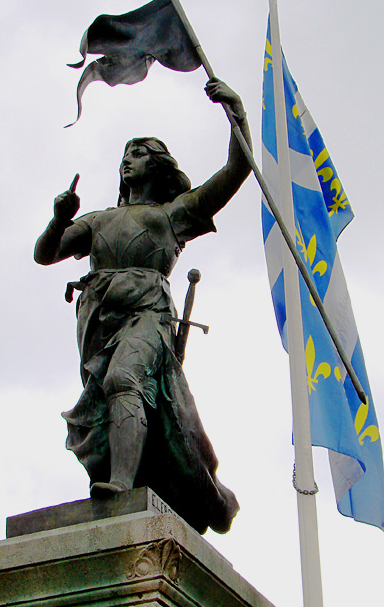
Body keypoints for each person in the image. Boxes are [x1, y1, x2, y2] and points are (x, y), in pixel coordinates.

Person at [35, 79, 252, 534]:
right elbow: (45, 253)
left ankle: (121, 486)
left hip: (149, 313)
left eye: (137, 153)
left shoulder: (175, 214)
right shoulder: (97, 220)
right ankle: (127, 476)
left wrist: (237, 114)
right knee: (102, 397)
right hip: (97, 318)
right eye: (124, 155)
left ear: (157, 164)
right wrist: (59, 218)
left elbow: (236, 169)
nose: (127, 160)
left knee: (123, 378)